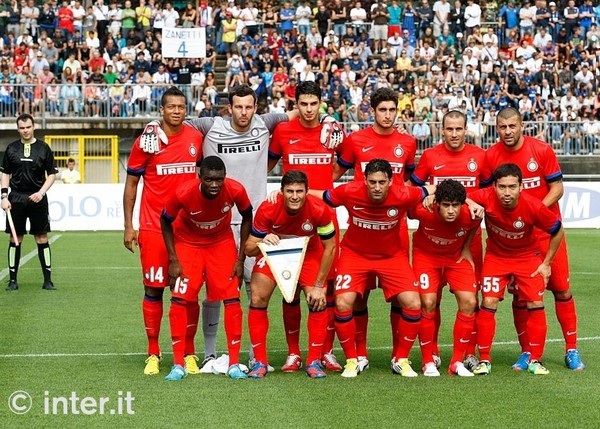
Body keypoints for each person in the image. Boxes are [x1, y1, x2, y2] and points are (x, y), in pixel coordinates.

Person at [138, 84, 343, 371]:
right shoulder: (210, 125)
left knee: (254, 289)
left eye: (249, 107)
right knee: (214, 289)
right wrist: (150, 125)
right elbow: (176, 119)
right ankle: (209, 353)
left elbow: (302, 111)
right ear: (228, 108)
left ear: (256, 107)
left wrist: (329, 118)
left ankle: (252, 355)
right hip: (218, 222)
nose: (244, 112)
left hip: (256, 220)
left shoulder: (266, 122)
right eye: (238, 106)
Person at [483, 107, 585, 371]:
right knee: (521, 299)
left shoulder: (541, 150)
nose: (508, 131)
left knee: (562, 290)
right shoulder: (491, 156)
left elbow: (558, 187)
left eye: (512, 126)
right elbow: (486, 195)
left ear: (522, 125)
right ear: (497, 128)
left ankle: (571, 349)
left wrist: (533, 211)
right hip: (517, 241)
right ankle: (527, 352)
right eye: (502, 127)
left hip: (546, 234)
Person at [318, 159, 435, 378]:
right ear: (364, 180)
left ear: (391, 181)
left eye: (382, 182)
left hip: (392, 257)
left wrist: (441, 196)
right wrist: (285, 194)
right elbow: (322, 196)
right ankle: (353, 359)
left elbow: (435, 187)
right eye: (372, 182)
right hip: (355, 256)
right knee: (343, 302)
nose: (377, 187)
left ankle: (400, 359)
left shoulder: (403, 194)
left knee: (414, 302)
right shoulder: (349, 191)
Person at [333, 88, 417, 374]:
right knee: (357, 296)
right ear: (372, 111)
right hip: (361, 220)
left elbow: (414, 181)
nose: (388, 115)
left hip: (395, 228)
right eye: (382, 110)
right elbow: (334, 174)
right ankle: (360, 355)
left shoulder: (408, 142)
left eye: (392, 110)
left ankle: (398, 356)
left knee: (400, 298)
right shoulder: (356, 140)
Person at [123, 87, 204, 376]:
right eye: (171, 107)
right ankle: (153, 353)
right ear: (162, 110)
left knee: (188, 293)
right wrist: (128, 225)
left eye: (182, 107)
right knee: (154, 289)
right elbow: (131, 184)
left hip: (188, 229)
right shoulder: (146, 142)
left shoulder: (196, 138)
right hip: (154, 227)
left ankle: (189, 353)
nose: (177, 111)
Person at [267, 81, 344, 373]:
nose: (309, 110)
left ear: (321, 103)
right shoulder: (283, 131)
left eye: (314, 104)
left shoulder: (332, 132)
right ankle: (293, 353)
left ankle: (325, 351)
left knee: (329, 287)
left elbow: (345, 163)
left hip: (325, 217)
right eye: (304, 104)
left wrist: (323, 188)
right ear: (295, 103)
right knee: (291, 290)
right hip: (291, 221)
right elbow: (267, 163)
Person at [160, 156, 252, 381]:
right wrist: (173, 259)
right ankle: (178, 364)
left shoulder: (236, 190)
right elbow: (165, 220)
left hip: (221, 244)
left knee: (232, 299)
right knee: (180, 300)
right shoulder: (183, 193)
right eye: (209, 179)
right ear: (199, 177)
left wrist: (240, 259)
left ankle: (233, 364)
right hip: (188, 244)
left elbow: (248, 215)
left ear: (225, 177)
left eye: (218, 180)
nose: (214, 185)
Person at [409, 109, 487, 371]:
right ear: (442, 130)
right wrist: (427, 195)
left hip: (468, 239)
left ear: (466, 130)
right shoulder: (430, 156)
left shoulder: (479, 156)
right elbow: (413, 190)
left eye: (459, 129)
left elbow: (488, 192)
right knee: (431, 299)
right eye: (449, 129)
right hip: (433, 240)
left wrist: (471, 202)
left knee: (470, 298)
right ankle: (432, 353)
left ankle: (468, 353)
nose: (454, 134)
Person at [469, 163, 564, 375]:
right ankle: (484, 359)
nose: (507, 192)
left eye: (512, 187)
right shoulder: (485, 196)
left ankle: (535, 360)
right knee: (488, 301)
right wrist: (470, 202)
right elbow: (462, 197)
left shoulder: (534, 206)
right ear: (494, 186)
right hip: (496, 257)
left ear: (521, 187)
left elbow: (557, 230)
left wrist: (546, 263)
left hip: (527, 258)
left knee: (535, 302)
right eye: (502, 187)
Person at [245, 170, 336, 379]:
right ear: (281, 191)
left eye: (299, 191)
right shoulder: (268, 208)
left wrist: (320, 284)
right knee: (257, 296)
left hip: (309, 254)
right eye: (289, 191)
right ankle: (261, 361)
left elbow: (329, 247)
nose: (294, 196)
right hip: (276, 254)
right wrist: (262, 241)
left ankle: (313, 361)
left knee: (316, 299)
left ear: (306, 192)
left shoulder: (320, 210)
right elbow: (249, 248)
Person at [408, 179, 481, 377]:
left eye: (455, 205)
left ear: (462, 204)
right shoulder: (424, 211)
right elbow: (407, 208)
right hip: (426, 257)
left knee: (469, 301)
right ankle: (427, 361)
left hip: (455, 258)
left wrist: (466, 248)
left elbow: (477, 222)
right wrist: (426, 195)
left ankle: (456, 362)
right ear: (437, 204)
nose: (451, 210)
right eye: (446, 205)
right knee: (428, 302)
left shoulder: (469, 214)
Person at [0, 114, 58, 292]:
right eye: (22, 128)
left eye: (28, 127)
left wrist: (41, 193)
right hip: (16, 198)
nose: (25, 130)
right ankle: (12, 280)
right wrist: (4, 197)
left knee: (41, 237)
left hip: (37, 199)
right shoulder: (11, 148)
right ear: (18, 129)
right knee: (15, 238)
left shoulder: (44, 148)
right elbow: (5, 174)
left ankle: (48, 280)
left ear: (34, 127)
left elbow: (52, 174)